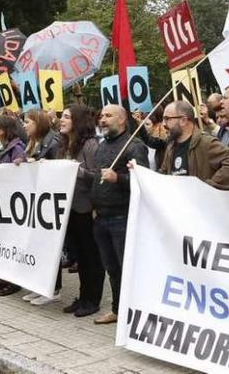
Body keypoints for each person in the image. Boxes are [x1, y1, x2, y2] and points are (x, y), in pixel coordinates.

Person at [90, 105, 149, 324]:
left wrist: (119, 179)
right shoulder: (102, 146)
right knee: (111, 268)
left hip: (122, 219)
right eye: (101, 115)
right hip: (101, 218)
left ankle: (136, 312)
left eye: (108, 116)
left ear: (123, 120)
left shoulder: (134, 147)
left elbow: (144, 181)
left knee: (128, 268)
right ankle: (117, 309)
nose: (102, 119)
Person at [55, 104, 105, 318]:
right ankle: (83, 296)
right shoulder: (66, 144)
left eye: (66, 117)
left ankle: (92, 299)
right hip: (71, 208)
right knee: (80, 258)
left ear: (77, 121)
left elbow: (98, 176)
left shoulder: (90, 145)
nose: (62, 120)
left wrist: (78, 171)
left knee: (91, 257)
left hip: (87, 208)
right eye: (62, 116)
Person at [20, 109, 63, 305]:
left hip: (48, 203)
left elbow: (57, 171)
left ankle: (53, 289)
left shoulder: (53, 142)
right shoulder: (33, 142)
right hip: (36, 201)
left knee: (49, 247)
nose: (24, 125)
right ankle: (40, 286)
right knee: (37, 245)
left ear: (38, 123)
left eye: (27, 122)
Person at [0, 113, 28, 297]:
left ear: (2, 130)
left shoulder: (16, 149)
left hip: (9, 204)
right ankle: (1, 278)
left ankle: (13, 281)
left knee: (11, 242)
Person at [159, 100, 229, 188]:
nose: (163, 124)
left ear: (183, 120)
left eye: (167, 119)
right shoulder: (171, 147)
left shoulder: (206, 143)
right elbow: (164, 172)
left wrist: (207, 187)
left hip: (201, 201)